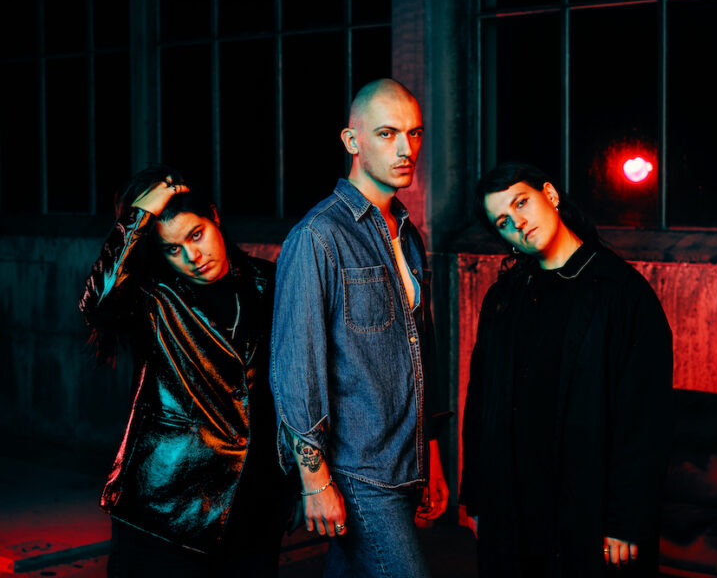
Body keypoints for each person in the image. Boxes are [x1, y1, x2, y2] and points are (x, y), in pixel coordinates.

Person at [270, 78, 449, 578]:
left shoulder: (407, 235)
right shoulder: (318, 236)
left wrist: (431, 453)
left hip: (406, 462)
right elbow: (296, 366)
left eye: (414, 133)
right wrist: (314, 481)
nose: (405, 149)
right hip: (359, 473)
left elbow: (421, 353)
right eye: (387, 134)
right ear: (352, 141)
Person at [459, 162, 673, 577]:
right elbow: (480, 404)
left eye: (522, 203)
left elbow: (645, 416)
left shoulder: (621, 292)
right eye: (502, 221)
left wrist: (626, 520)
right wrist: (479, 499)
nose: (518, 223)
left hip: (586, 510)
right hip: (513, 507)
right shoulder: (503, 298)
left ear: (551, 195)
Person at [79, 165, 290, 577]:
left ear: (214, 217)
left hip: (252, 508)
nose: (193, 257)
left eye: (196, 235)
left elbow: (296, 387)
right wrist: (138, 217)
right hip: (165, 510)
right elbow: (97, 304)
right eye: (172, 249)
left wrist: (298, 484)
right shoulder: (152, 297)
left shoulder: (269, 283)